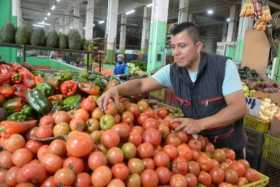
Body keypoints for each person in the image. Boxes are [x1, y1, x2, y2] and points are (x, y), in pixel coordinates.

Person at [98, 22, 247, 159]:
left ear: (198, 46)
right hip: (197, 149)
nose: (175, 52)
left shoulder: (223, 67)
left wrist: (200, 123)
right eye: (173, 47)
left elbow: (238, 108)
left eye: (182, 46)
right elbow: (141, 84)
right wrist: (116, 89)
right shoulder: (172, 72)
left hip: (229, 149)